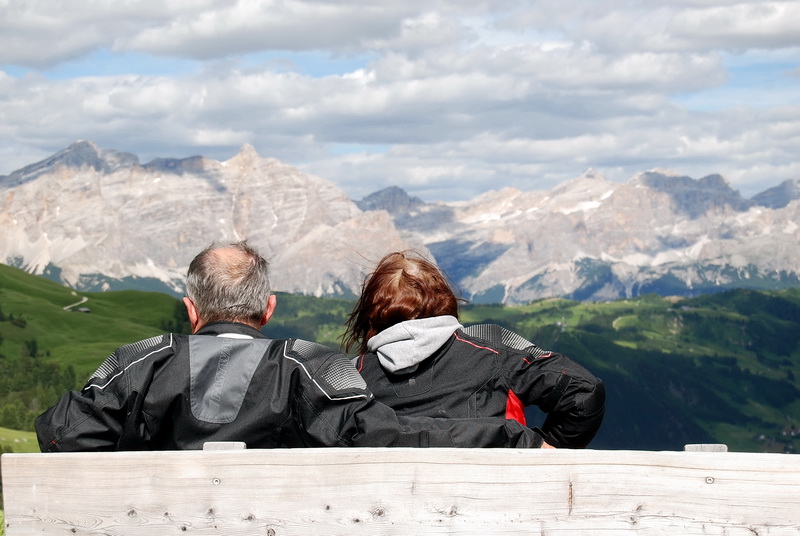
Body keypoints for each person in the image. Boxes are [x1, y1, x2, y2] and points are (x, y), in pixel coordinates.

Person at [35, 241, 545, 451]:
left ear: (190, 310)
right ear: (269, 307)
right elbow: (392, 435)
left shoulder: (139, 360)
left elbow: (59, 433)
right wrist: (512, 437)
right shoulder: (309, 364)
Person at [342, 251, 606, 449]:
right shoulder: (495, 356)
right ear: (444, 302)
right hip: (501, 510)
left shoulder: (351, 378)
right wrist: (548, 449)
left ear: (370, 318)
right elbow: (584, 391)